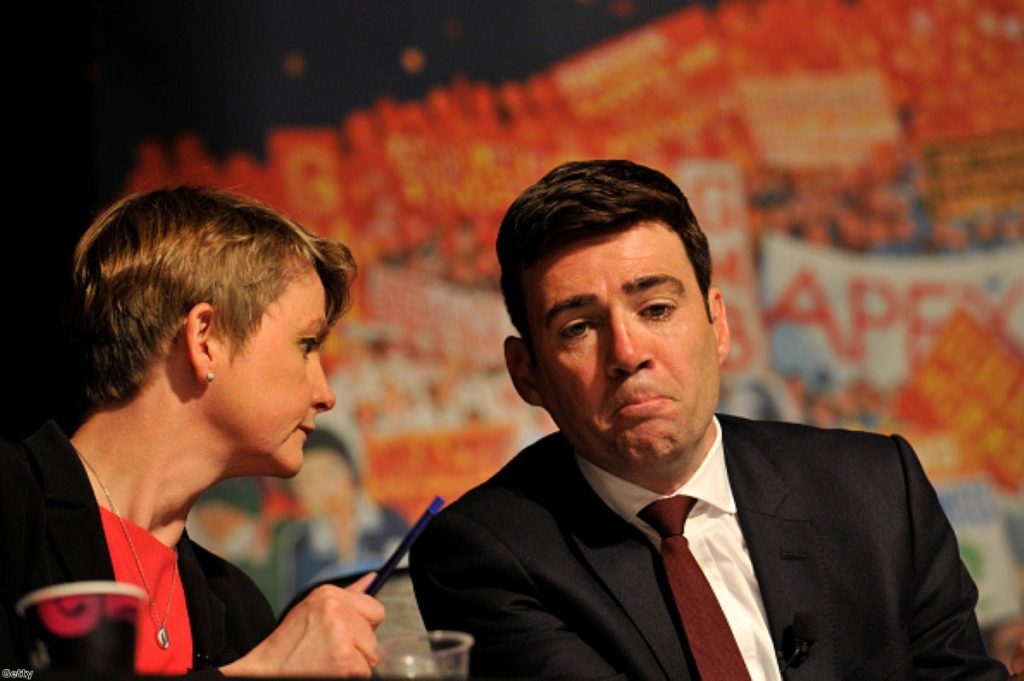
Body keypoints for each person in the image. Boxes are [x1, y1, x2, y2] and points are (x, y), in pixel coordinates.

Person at [409, 160, 1013, 680]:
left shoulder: (878, 489)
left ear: (718, 325)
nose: (626, 352)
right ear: (527, 373)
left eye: (657, 308)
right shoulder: (485, 557)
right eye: (579, 328)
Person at [0, 187, 385, 676]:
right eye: (306, 345)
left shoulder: (237, 608)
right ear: (205, 340)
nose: (326, 393)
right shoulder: (12, 503)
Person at [284, 426, 409, 593]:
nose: (324, 488)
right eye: (308, 481)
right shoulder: (301, 543)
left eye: (329, 473)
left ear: (350, 471)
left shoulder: (390, 521)